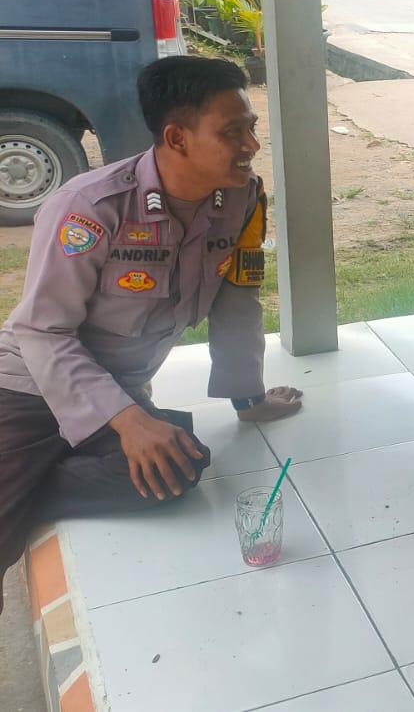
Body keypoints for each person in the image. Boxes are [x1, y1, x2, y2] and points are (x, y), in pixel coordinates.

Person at [0, 56, 304, 595]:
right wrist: (129, 422)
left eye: (251, 127)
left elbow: (237, 297)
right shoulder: (90, 208)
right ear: (177, 137)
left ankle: (33, 483)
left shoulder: (243, 197)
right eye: (232, 132)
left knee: (180, 466)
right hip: (26, 389)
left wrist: (248, 397)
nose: (252, 144)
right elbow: (43, 331)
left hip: (120, 390)